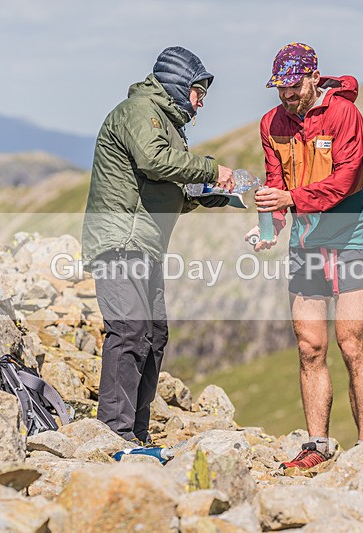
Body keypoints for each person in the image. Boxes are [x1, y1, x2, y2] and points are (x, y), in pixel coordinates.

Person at [82, 46, 234, 444]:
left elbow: (156, 188)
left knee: (153, 335)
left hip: (143, 246)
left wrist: (203, 196)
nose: (201, 102)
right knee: (130, 331)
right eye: (198, 92)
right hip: (120, 241)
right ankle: (113, 435)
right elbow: (154, 160)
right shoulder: (139, 112)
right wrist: (212, 168)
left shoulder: (164, 122)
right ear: (178, 85)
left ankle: (136, 432)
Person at [245, 42, 363, 468]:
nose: (286, 96)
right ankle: (317, 446)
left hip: (351, 232)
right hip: (306, 239)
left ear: (312, 77)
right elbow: (275, 185)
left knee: (351, 343)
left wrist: (289, 197)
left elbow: (347, 179)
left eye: (292, 86)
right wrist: (270, 224)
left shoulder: (344, 114)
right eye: (279, 88)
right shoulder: (271, 123)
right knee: (309, 346)